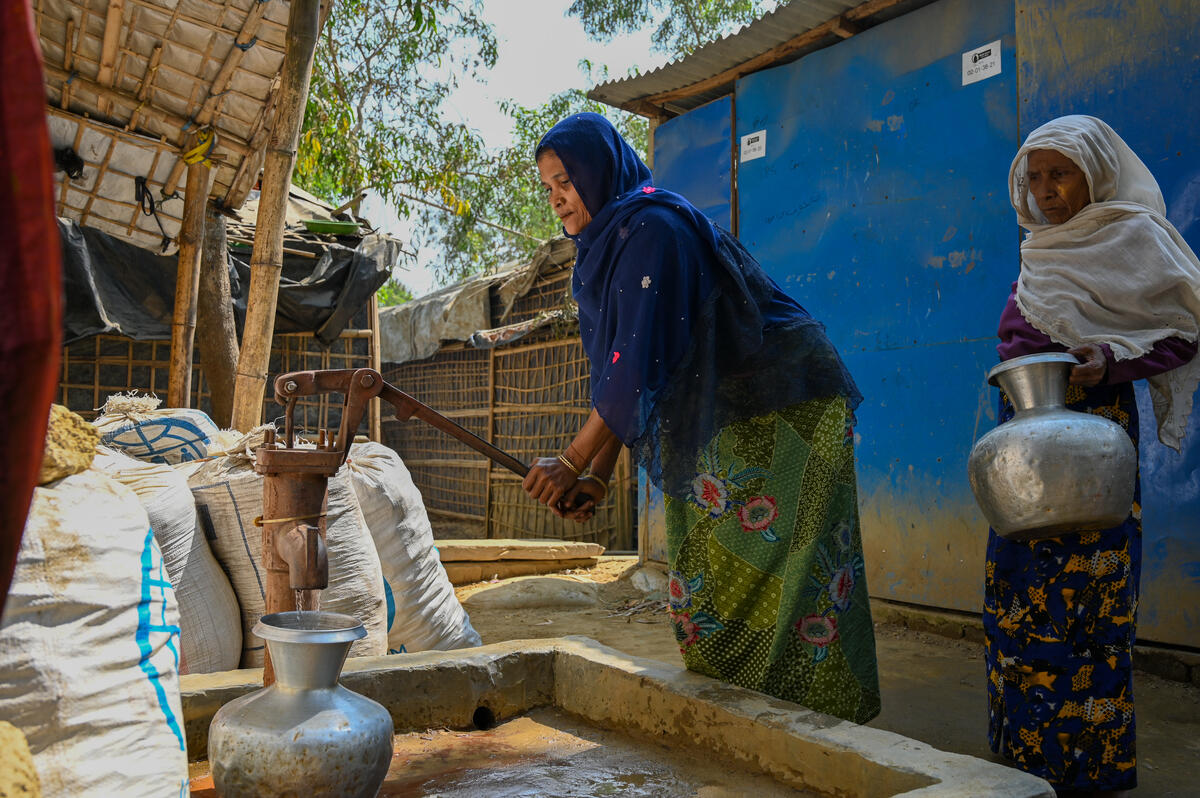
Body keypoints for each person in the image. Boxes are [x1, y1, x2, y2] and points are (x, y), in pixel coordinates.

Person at [520, 112, 880, 723]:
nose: (557, 200)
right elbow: (628, 376)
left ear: (597, 172)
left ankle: (818, 724)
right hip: (723, 415)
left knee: (796, 577)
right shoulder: (607, 248)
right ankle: (747, 722)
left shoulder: (652, 229)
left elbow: (634, 365)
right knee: (711, 583)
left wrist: (575, 459)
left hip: (788, 402)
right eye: (548, 188)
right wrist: (599, 477)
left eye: (566, 182)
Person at [985, 115, 1200, 796]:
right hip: (1022, 434)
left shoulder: (1131, 238)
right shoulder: (1040, 248)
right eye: (1036, 176)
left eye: (1061, 173)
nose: (1046, 191)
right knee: (1017, 594)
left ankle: (1092, 766)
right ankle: (1025, 758)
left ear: (1096, 174)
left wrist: (1106, 362)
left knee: (1092, 602)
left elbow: (1184, 327)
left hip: (1092, 431)